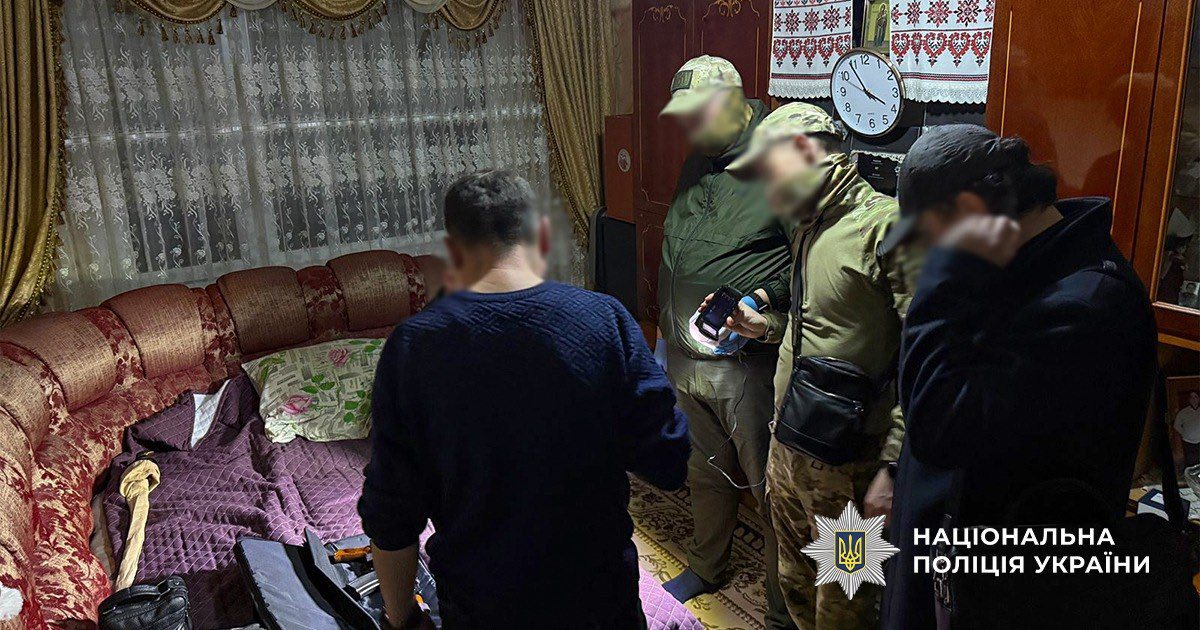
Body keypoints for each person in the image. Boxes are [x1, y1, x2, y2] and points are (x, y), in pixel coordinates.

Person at [358, 170, 690, 630]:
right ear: (541, 234)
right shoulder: (605, 319)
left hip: (482, 608)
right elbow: (669, 461)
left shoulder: (413, 345)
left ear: (453, 249)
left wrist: (402, 618)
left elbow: (391, 511)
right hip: (601, 602)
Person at [878, 125, 1158, 630]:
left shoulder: (1085, 305)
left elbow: (942, 426)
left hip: (1011, 586)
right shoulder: (1023, 266)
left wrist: (941, 275)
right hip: (951, 559)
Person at [718, 102, 917, 629]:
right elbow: (825, 331)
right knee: (795, 584)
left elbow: (925, 357)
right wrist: (766, 328)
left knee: (846, 602)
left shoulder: (888, 227)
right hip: (790, 447)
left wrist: (892, 466)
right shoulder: (809, 226)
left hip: (850, 468)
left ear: (806, 151)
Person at [655, 54, 795, 629]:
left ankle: (784, 611)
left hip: (745, 364)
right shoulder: (700, 160)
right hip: (685, 356)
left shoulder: (781, 161)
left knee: (771, 490)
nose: (688, 128)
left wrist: (761, 297)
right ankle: (707, 565)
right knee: (705, 470)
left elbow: (808, 257)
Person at [1174, 390, 1200, 466]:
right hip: (1188, 442)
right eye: (1191, 397)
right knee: (1190, 462)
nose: (1193, 399)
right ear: (1189, 399)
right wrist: (1184, 433)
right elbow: (1176, 426)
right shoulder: (1183, 413)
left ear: (1199, 399)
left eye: (1195, 397)